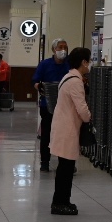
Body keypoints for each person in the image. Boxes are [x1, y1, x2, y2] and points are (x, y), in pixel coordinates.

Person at [48, 46, 92, 216]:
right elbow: (82, 109)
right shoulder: (75, 81)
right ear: (83, 62)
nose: (90, 64)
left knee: (65, 168)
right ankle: (60, 203)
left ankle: (62, 201)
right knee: (65, 170)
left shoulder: (69, 77)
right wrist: (89, 117)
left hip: (64, 127)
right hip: (67, 129)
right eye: (89, 60)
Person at [33, 40, 70, 172]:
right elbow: (35, 81)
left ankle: (64, 162)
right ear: (54, 49)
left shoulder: (69, 64)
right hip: (47, 105)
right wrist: (40, 87)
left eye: (65, 47)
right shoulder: (45, 64)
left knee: (65, 135)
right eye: (60, 47)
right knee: (46, 134)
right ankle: (45, 162)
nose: (63, 50)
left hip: (66, 106)